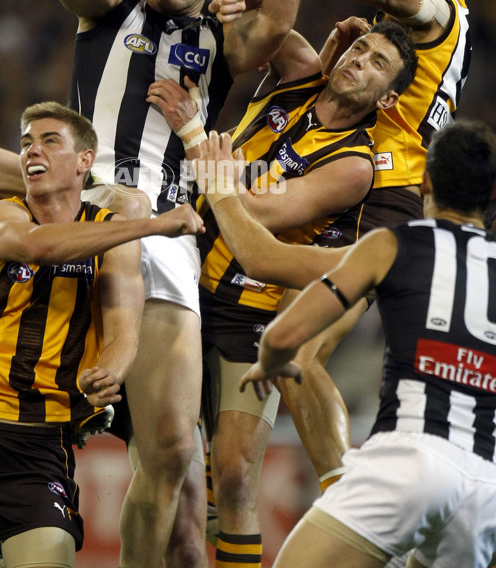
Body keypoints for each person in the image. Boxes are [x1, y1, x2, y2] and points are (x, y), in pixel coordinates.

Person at [51, 0, 304, 568]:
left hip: (167, 238)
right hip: (87, 215)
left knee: (169, 458)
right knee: (34, 426)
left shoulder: (216, 40)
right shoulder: (110, 10)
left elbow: (279, 26)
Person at [0, 21, 205, 568]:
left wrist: (112, 371)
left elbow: (123, 328)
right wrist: (148, 223)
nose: (31, 150)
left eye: (49, 140)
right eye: (25, 141)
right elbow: (37, 247)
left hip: (39, 443)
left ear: (83, 162)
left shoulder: (110, 234)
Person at [249, 0, 487, 491]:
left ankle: (343, 494)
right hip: (367, 187)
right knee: (275, 334)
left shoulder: (440, 6)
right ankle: (229, 479)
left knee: (299, 351)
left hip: (383, 196)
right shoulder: (425, 39)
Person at [211, 118, 496, 568]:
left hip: (411, 458)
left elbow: (284, 326)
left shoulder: (393, 244)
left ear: (425, 179)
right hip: (485, 484)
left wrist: (270, 359)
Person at [192, 12, 417, 567]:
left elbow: (265, 213)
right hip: (184, 281)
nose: (359, 61)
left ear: (386, 100)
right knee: (172, 470)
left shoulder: (354, 165)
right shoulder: (297, 78)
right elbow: (265, 22)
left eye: (376, 63)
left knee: (236, 474)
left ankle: (343, 486)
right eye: (359, 50)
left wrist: (203, 154)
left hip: (251, 313)